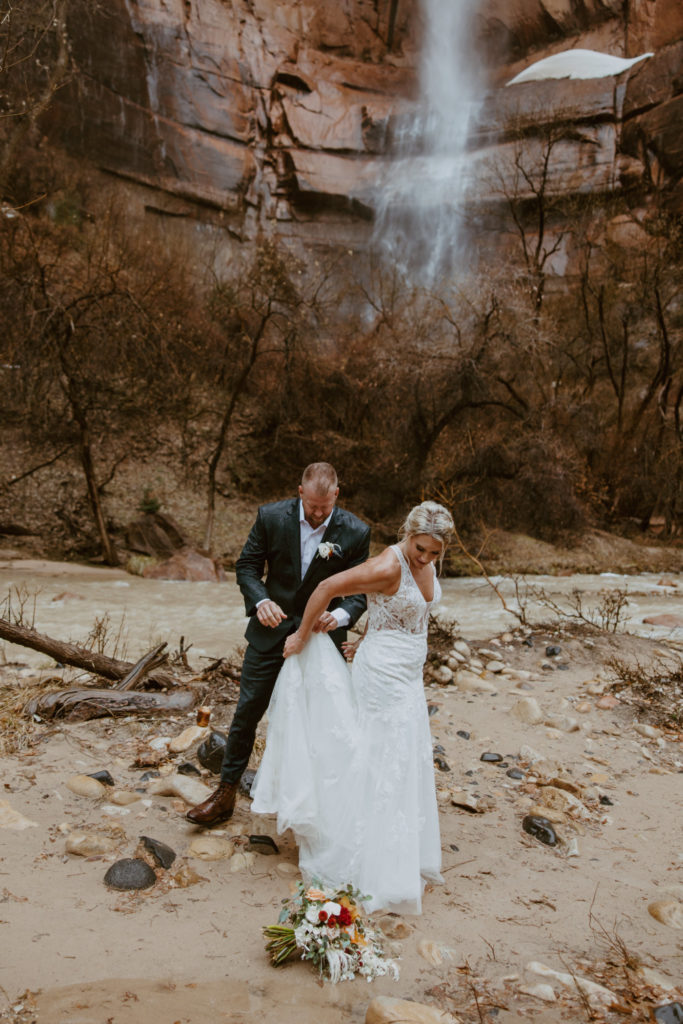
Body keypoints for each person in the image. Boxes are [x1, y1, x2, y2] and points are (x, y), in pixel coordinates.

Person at [249, 500, 454, 914]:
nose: (427, 558)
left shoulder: (426, 564)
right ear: (407, 535)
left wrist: (370, 634)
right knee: (377, 760)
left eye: (436, 552)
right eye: (421, 549)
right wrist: (303, 637)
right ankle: (361, 853)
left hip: (406, 676)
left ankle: (395, 851)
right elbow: (326, 589)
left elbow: (408, 616)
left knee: (401, 759)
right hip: (381, 679)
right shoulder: (387, 565)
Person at [186, 462, 371, 827]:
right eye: (312, 506)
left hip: (321, 639)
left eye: (325, 507)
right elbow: (247, 567)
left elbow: (360, 591)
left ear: (337, 494)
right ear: (300, 492)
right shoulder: (270, 517)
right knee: (248, 711)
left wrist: (342, 616)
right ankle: (225, 792)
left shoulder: (356, 531)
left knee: (322, 720)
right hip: (271, 631)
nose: (318, 515)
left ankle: (326, 805)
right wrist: (260, 601)